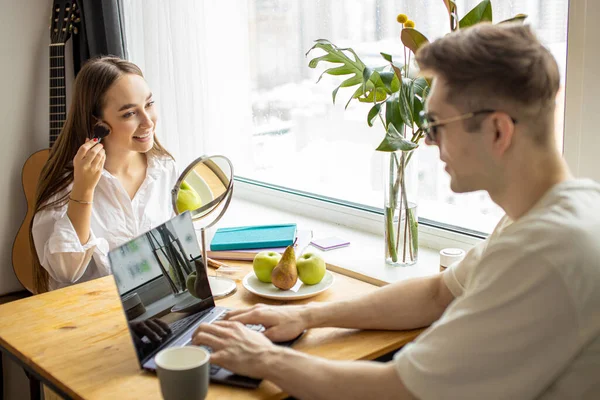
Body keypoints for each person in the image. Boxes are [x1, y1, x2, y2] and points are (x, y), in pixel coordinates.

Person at [192, 23, 600, 399]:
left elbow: (397, 390)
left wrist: (263, 358)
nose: (426, 142)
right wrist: (309, 316)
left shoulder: (544, 251)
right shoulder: (553, 212)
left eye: (437, 124)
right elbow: (438, 293)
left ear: (497, 130)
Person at [31, 56, 178, 293]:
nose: (148, 121)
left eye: (149, 104)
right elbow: (64, 272)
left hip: (155, 313)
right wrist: (84, 190)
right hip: (89, 316)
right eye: (130, 113)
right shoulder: (68, 184)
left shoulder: (164, 168)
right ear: (98, 122)